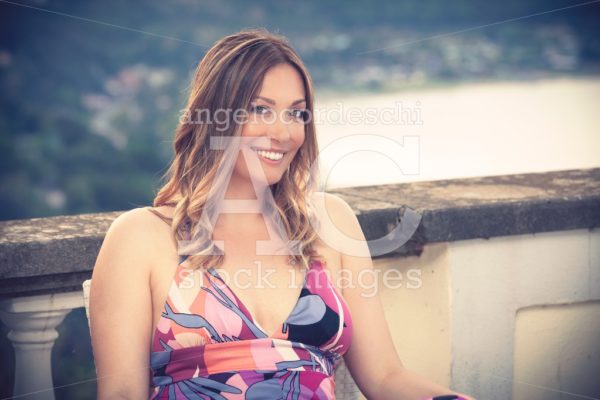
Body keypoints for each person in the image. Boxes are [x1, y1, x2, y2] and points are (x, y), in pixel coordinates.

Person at [90, 28, 474, 400]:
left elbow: (385, 377)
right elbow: (122, 393)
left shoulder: (330, 223)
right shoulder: (141, 237)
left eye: (296, 114)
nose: (284, 133)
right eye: (261, 109)